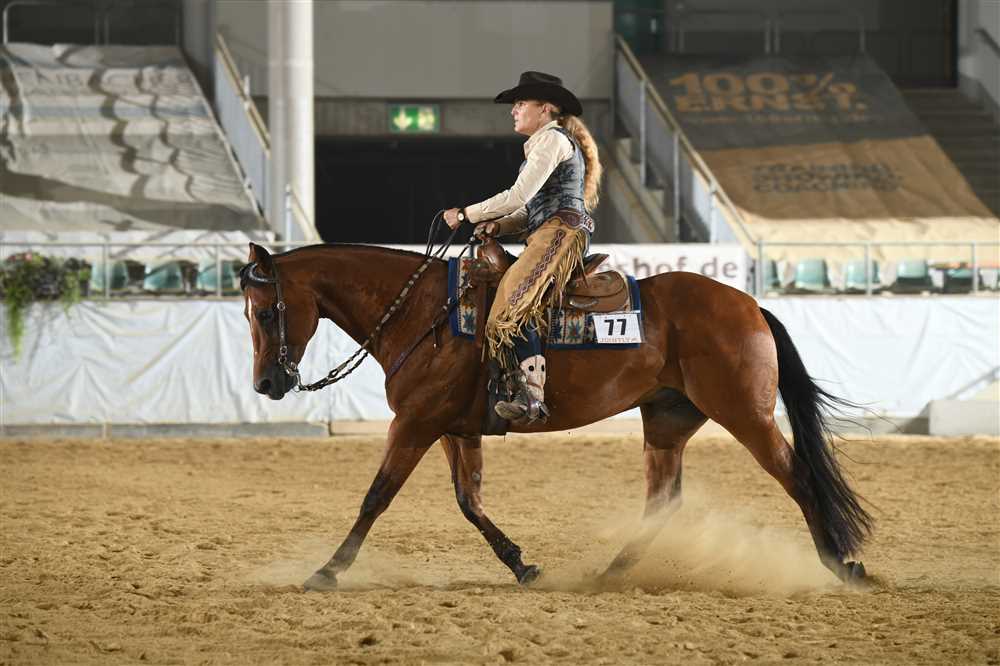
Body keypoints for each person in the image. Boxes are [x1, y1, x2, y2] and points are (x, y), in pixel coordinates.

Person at [444, 71, 602, 423]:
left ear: (545, 108)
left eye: (520, 104)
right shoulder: (545, 144)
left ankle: (531, 396)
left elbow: (518, 196)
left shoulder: (552, 141)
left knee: (510, 304)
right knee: (512, 295)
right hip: (549, 231)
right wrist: (499, 225)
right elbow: (530, 210)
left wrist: (466, 214)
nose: (513, 111)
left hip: (560, 233)